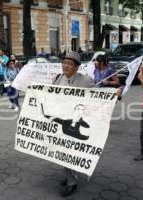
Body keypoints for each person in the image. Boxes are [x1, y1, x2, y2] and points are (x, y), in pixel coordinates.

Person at [52, 51, 94, 197]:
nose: (66, 66)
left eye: (70, 64)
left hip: (76, 124)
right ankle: (70, 175)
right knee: (62, 152)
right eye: (64, 63)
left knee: (70, 152)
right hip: (62, 122)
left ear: (76, 67)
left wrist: (115, 94)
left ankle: (72, 182)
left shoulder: (86, 81)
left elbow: (98, 99)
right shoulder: (57, 78)